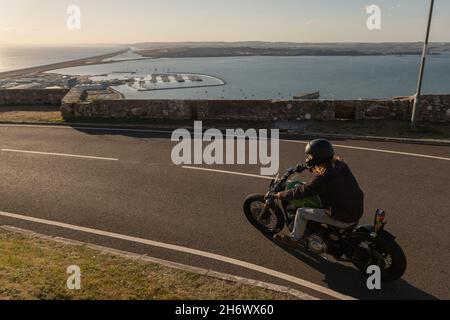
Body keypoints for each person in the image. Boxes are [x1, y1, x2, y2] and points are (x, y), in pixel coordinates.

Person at [273, 139, 365, 248]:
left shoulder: (323, 178)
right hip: (355, 208)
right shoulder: (340, 164)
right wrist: (308, 167)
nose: (308, 158)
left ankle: (294, 239)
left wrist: (281, 195)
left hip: (343, 215)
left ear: (318, 158)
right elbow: (321, 174)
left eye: (310, 156)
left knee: (301, 212)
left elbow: (304, 190)